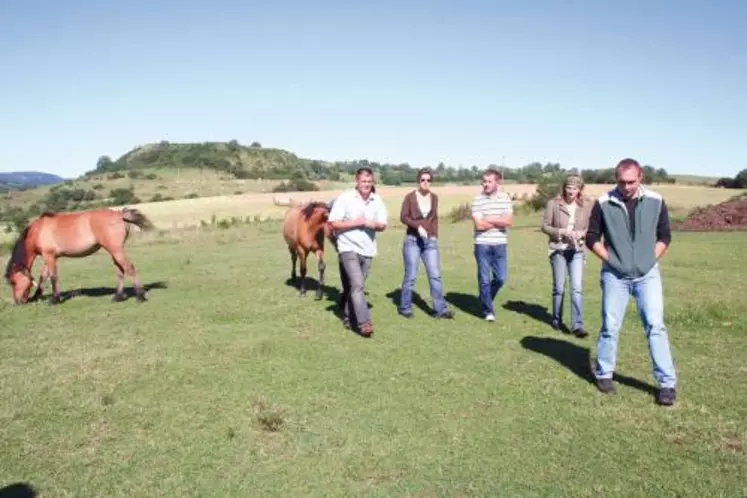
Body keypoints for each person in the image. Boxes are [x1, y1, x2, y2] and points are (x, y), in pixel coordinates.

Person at [585, 158, 677, 406]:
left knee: (655, 326)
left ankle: (667, 384)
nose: (626, 187)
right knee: (610, 326)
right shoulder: (604, 202)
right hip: (615, 276)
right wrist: (611, 260)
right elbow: (592, 237)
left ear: (641, 177)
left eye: (631, 182)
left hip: (648, 275)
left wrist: (649, 259)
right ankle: (604, 374)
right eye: (621, 182)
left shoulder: (656, 201)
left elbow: (665, 235)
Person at [328, 167, 388, 337]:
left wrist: (371, 224)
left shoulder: (377, 201)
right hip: (348, 247)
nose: (366, 185)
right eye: (363, 181)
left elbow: (383, 225)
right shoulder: (345, 198)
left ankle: (347, 317)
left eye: (369, 182)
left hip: (368, 249)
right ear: (357, 181)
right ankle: (364, 323)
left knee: (356, 287)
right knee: (358, 284)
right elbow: (334, 223)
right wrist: (356, 222)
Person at [397, 167, 455, 319]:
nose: (425, 182)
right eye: (423, 180)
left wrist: (434, 235)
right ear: (418, 181)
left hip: (429, 242)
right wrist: (417, 226)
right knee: (411, 275)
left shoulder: (434, 198)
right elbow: (403, 217)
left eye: (428, 180)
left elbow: (434, 218)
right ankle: (405, 308)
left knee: (435, 275)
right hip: (412, 241)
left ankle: (440, 310)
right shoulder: (410, 197)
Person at [540, 173, 592, 338]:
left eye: (575, 188)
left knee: (576, 288)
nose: (571, 191)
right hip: (558, 250)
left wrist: (581, 234)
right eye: (569, 187)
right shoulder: (553, 204)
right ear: (564, 188)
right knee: (559, 288)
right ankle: (556, 320)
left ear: (580, 189)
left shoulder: (587, 205)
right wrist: (560, 232)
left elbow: (591, 229)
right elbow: (545, 226)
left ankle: (577, 325)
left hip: (577, 250)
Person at [471, 168, 514, 321]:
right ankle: (488, 311)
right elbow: (479, 226)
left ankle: (484, 298)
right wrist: (498, 220)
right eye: (484, 181)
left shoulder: (505, 198)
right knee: (483, 278)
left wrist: (488, 220)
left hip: (500, 244)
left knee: (501, 278)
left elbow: (508, 222)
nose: (485, 184)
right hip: (482, 244)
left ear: (497, 182)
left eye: (489, 181)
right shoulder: (477, 199)